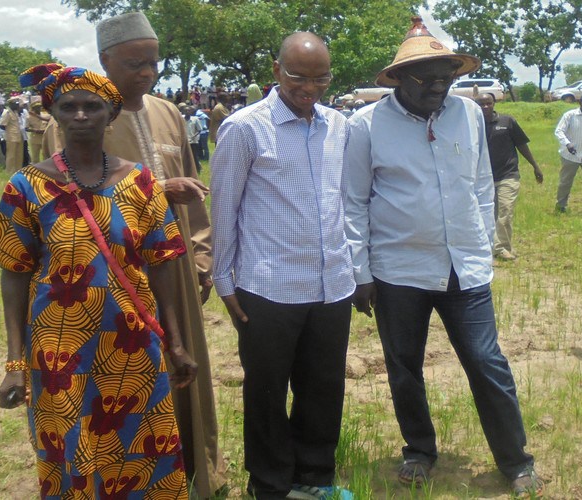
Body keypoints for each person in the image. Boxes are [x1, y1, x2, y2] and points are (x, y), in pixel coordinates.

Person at [344, 17, 542, 498]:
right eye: (426, 77)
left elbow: (479, 183)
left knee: (486, 360)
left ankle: (516, 461)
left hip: (465, 268)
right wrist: (361, 273)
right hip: (398, 271)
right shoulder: (365, 126)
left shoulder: (469, 115)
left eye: (446, 77)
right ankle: (419, 450)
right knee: (404, 365)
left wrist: (480, 244)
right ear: (398, 80)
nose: (438, 86)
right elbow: (352, 201)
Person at [0, 63, 197, 498]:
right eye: (69, 107)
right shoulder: (26, 186)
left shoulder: (141, 182)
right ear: (54, 114)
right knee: (68, 451)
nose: (81, 115)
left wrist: (174, 343)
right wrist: (14, 363)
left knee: (143, 451)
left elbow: (162, 265)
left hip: (132, 344)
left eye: (92, 107)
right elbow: (13, 273)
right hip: (59, 353)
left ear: (110, 114)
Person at [42, 11, 227, 497]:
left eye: (153, 63)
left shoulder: (167, 112)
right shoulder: (77, 115)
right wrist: (157, 188)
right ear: (105, 61)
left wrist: (202, 257)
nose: (147, 72)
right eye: (134, 63)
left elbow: (197, 199)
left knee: (185, 366)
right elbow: (60, 192)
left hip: (177, 267)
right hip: (109, 278)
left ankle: (195, 472)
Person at [211, 32, 355, 500]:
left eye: (320, 78)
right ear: (276, 72)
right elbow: (224, 209)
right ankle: (270, 486)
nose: (309, 88)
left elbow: (341, 200)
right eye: (298, 77)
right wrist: (223, 280)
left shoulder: (338, 125)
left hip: (331, 283)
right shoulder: (245, 128)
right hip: (267, 287)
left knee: (323, 388)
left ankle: (314, 479)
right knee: (268, 392)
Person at [475, 93, 543, 261]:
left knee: (505, 211)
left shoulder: (507, 122)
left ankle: (502, 248)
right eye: (481, 104)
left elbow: (521, 144)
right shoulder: (473, 125)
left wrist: (535, 166)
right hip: (483, 178)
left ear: (494, 103)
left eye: (488, 103)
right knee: (487, 213)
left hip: (508, 174)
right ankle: (488, 245)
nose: (485, 107)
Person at [0, 98, 24, 174]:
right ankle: (10, 171)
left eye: (17, 104)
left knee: (19, 154)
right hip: (11, 137)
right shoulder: (7, 113)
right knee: (11, 155)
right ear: (11, 104)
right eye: (15, 104)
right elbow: (2, 125)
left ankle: (18, 170)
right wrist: (9, 131)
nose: (17, 105)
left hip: (18, 136)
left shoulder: (16, 112)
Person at [184, 105, 203, 171]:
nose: (187, 112)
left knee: (194, 156)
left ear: (191, 112)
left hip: (193, 141)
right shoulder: (181, 119)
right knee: (185, 156)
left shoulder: (195, 119)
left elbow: (199, 130)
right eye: (186, 110)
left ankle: (198, 169)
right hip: (185, 141)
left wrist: (193, 136)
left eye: (188, 110)